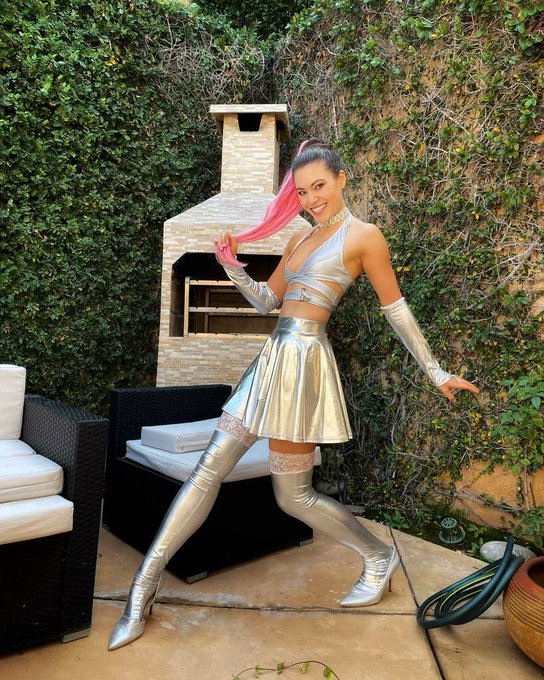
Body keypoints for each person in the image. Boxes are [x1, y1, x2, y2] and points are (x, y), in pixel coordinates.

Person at [108, 138, 479, 650]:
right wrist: (232, 265)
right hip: (271, 361)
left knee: (293, 497)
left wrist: (436, 372)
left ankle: (378, 556)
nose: (311, 199)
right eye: (302, 192)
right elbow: (268, 301)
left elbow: (395, 309)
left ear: (342, 179)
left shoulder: (364, 236)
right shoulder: (299, 239)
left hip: (305, 366)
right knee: (208, 468)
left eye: (319, 186)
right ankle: (142, 588)